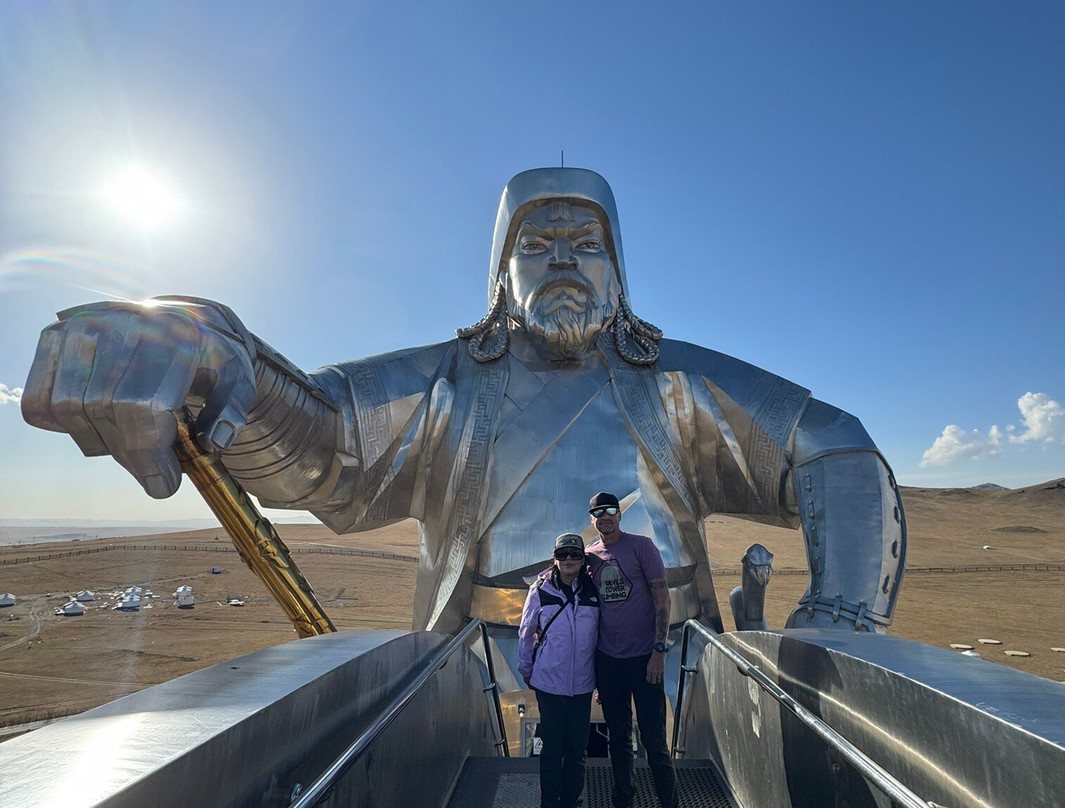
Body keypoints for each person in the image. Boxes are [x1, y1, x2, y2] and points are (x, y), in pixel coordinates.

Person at [22, 167, 907, 649]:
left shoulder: (679, 385)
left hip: (676, 665)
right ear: (502, 272)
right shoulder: (446, 385)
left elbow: (835, 447)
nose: (564, 259)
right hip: (481, 668)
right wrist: (216, 354)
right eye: (538, 244)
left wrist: (844, 617)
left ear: (619, 269)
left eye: (587, 244)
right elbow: (321, 445)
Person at [585, 491, 677, 808]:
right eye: (599, 512)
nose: (606, 516)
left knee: (654, 741)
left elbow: (663, 599)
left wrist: (659, 652)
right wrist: (597, 676)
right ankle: (623, 799)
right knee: (618, 740)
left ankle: (668, 801)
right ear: (592, 519)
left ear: (620, 514)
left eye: (611, 510)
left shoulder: (641, 547)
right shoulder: (590, 555)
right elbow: (591, 613)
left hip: (644, 660)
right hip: (609, 663)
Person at [518, 532, 600, 808]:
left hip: (582, 685)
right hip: (550, 683)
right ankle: (549, 803)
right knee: (552, 749)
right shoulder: (540, 590)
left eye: (575, 555)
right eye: (563, 554)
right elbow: (526, 631)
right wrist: (526, 668)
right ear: (555, 558)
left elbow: (602, 634)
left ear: (582, 559)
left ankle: (571, 802)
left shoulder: (592, 590)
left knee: (577, 750)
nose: (568, 560)